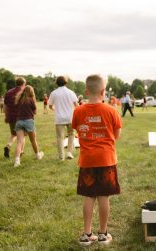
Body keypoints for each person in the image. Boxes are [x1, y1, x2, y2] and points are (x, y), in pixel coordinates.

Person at [71, 74, 122, 246]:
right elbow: (116, 135)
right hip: (107, 159)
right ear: (103, 91)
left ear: (86, 91)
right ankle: (102, 233)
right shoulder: (111, 110)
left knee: (88, 196)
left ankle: (86, 234)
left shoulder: (78, 111)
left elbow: (78, 131)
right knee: (103, 196)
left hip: (87, 160)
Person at [48, 76, 78, 161]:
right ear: (66, 82)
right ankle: (69, 152)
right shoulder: (71, 92)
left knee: (59, 137)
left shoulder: (54, 93)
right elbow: (77, 105)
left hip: (59, 118)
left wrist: (54, 109)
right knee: (71, 134)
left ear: (56, 83)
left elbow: (50, 105)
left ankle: (61, 157)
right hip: (70, 117)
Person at [14, 85, 44, 167]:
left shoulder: (19, 100)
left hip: (19, 121)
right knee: (33, 140)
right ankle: (38, 155)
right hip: (29, 121)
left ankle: (17, 161)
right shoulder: (31, 100)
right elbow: (35, 112)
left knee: (19, 142)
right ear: (31, 92)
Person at [3, 77, 26, 158]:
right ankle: (21, 151)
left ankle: (8, 146)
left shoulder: (8, 92)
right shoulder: (24, 92)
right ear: (23, 84)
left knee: (13, 134)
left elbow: (5, 106)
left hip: (11, 116)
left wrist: (6, 116)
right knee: (22, 135)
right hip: (21, 117)